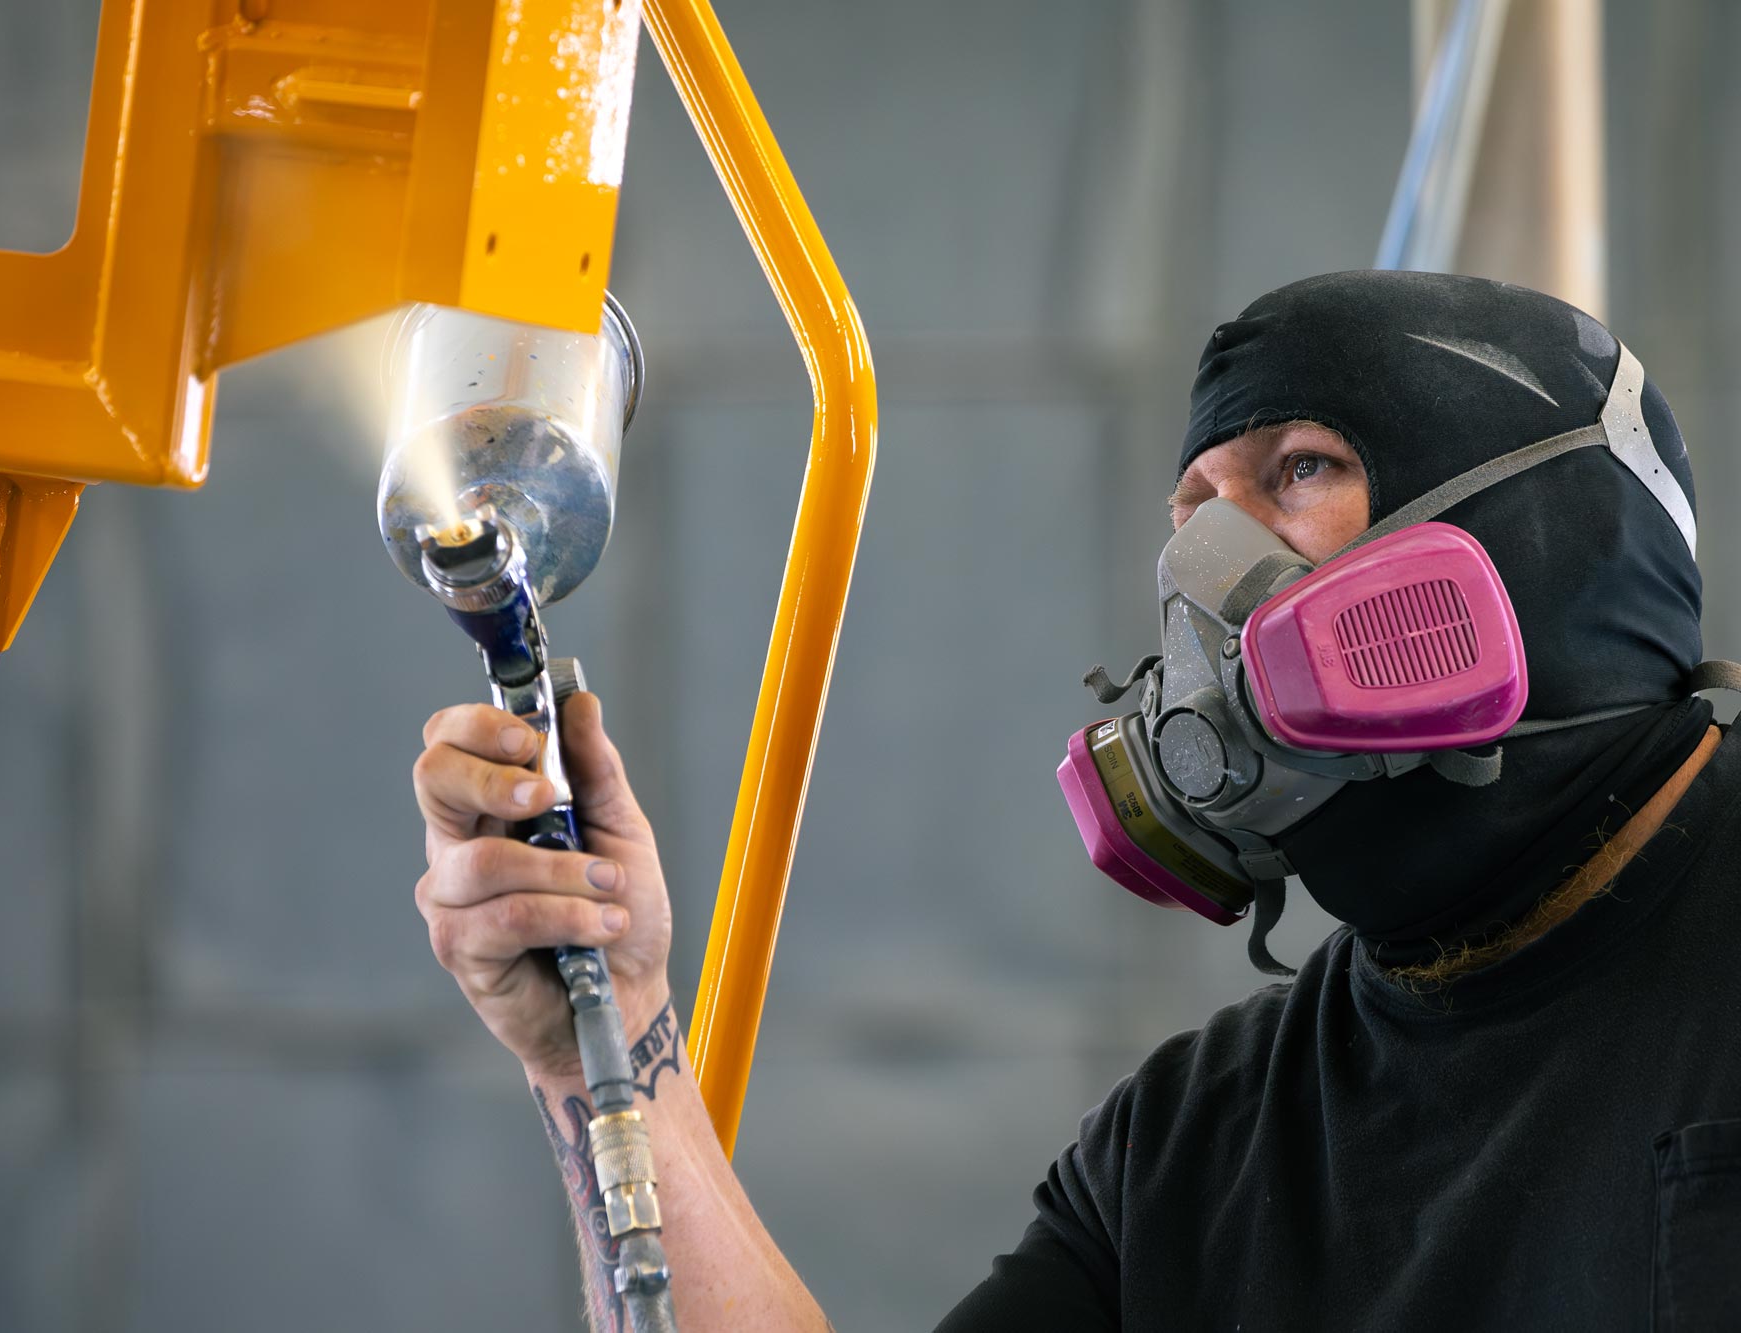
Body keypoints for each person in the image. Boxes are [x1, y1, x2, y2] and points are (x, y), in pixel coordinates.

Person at [411, 271, 1741, 1330]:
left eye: (1300, 469)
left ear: (1555, 524)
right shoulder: (1194, 1156)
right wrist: (610, 1038)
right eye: (1194, 505)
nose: (1208, 568)